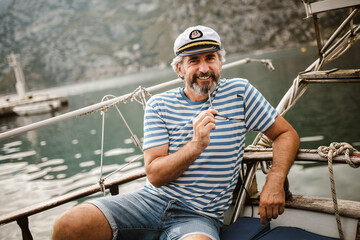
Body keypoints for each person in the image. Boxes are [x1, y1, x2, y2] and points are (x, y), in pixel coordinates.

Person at [52, 25, 299, 240]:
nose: (204, 68)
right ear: (179, 69)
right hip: (149, 203)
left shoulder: (240, 93)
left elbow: (286, 134)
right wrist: (195, 145)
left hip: (199, 216)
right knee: (70, 225)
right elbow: (156, 175)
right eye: (194, 60)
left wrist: (275, 181)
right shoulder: (160, 105)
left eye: (210, 58)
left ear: (220, 62)